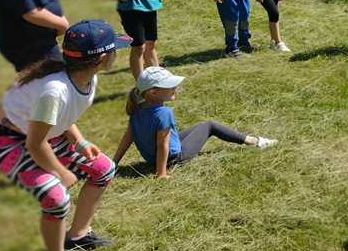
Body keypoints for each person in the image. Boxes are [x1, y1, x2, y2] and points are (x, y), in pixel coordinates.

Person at [0, 20, 128, 251]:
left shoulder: (84, 78)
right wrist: (60, 172)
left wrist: (80, 141)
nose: (116, 54)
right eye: (114, 49)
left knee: (104, 169)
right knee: (56, 197)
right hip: (9, 140)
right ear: (101, 59)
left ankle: (78, 234)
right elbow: (35, 143)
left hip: (41, 135)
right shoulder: (55, 91)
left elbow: (60, 118)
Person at [113, 66, 277, 178]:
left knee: (200, 126)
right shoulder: (164, 113)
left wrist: (114, 164)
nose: (175, 88)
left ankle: (251, 140)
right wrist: (161, 173)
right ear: (154, 92)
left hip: (152, 158)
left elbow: (128, 138)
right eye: (170, 86)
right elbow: (162, 145)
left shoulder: (137, 109)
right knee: (210, 125)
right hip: (174, 158)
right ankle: (254, 141)